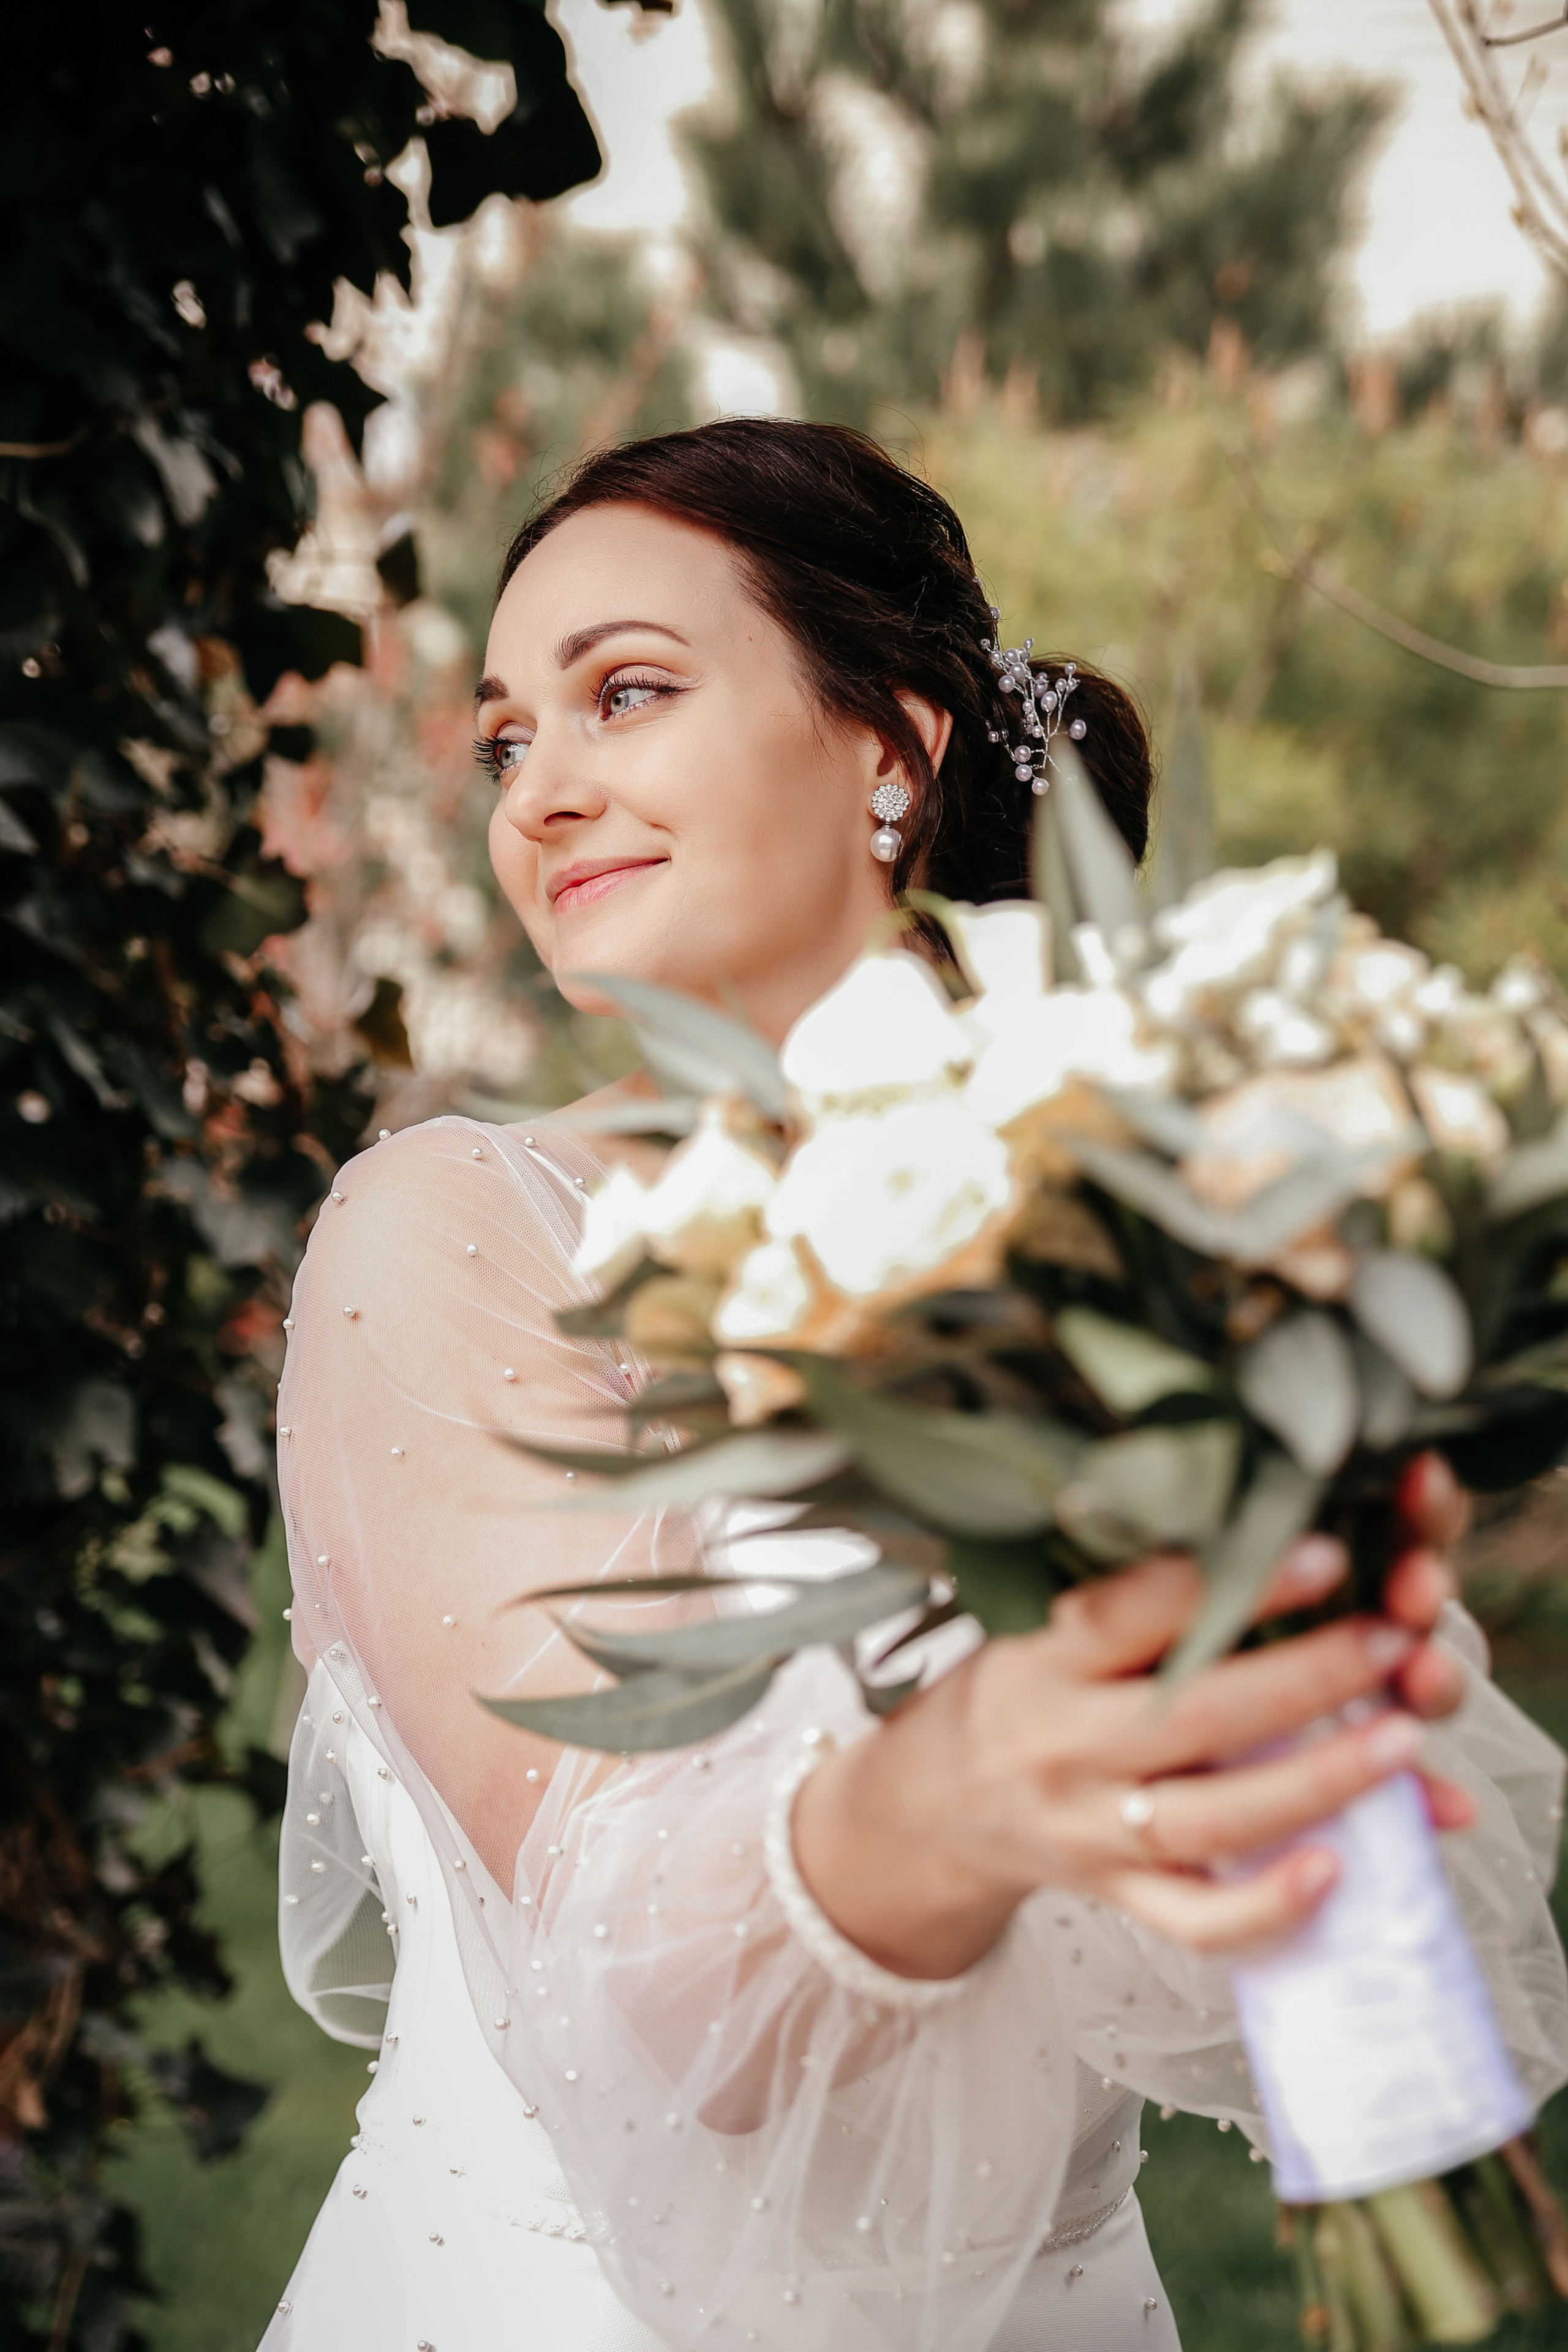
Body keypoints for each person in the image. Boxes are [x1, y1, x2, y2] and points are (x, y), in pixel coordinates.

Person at [260, 421, 1567, 2352]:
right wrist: (976, 1777)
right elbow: (632, 1975)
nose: (539, 792)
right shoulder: (449, 1232)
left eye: (626, 690)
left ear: (892, 746)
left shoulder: (1143, 1187)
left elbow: (1309, 1938)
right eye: (510, 740)